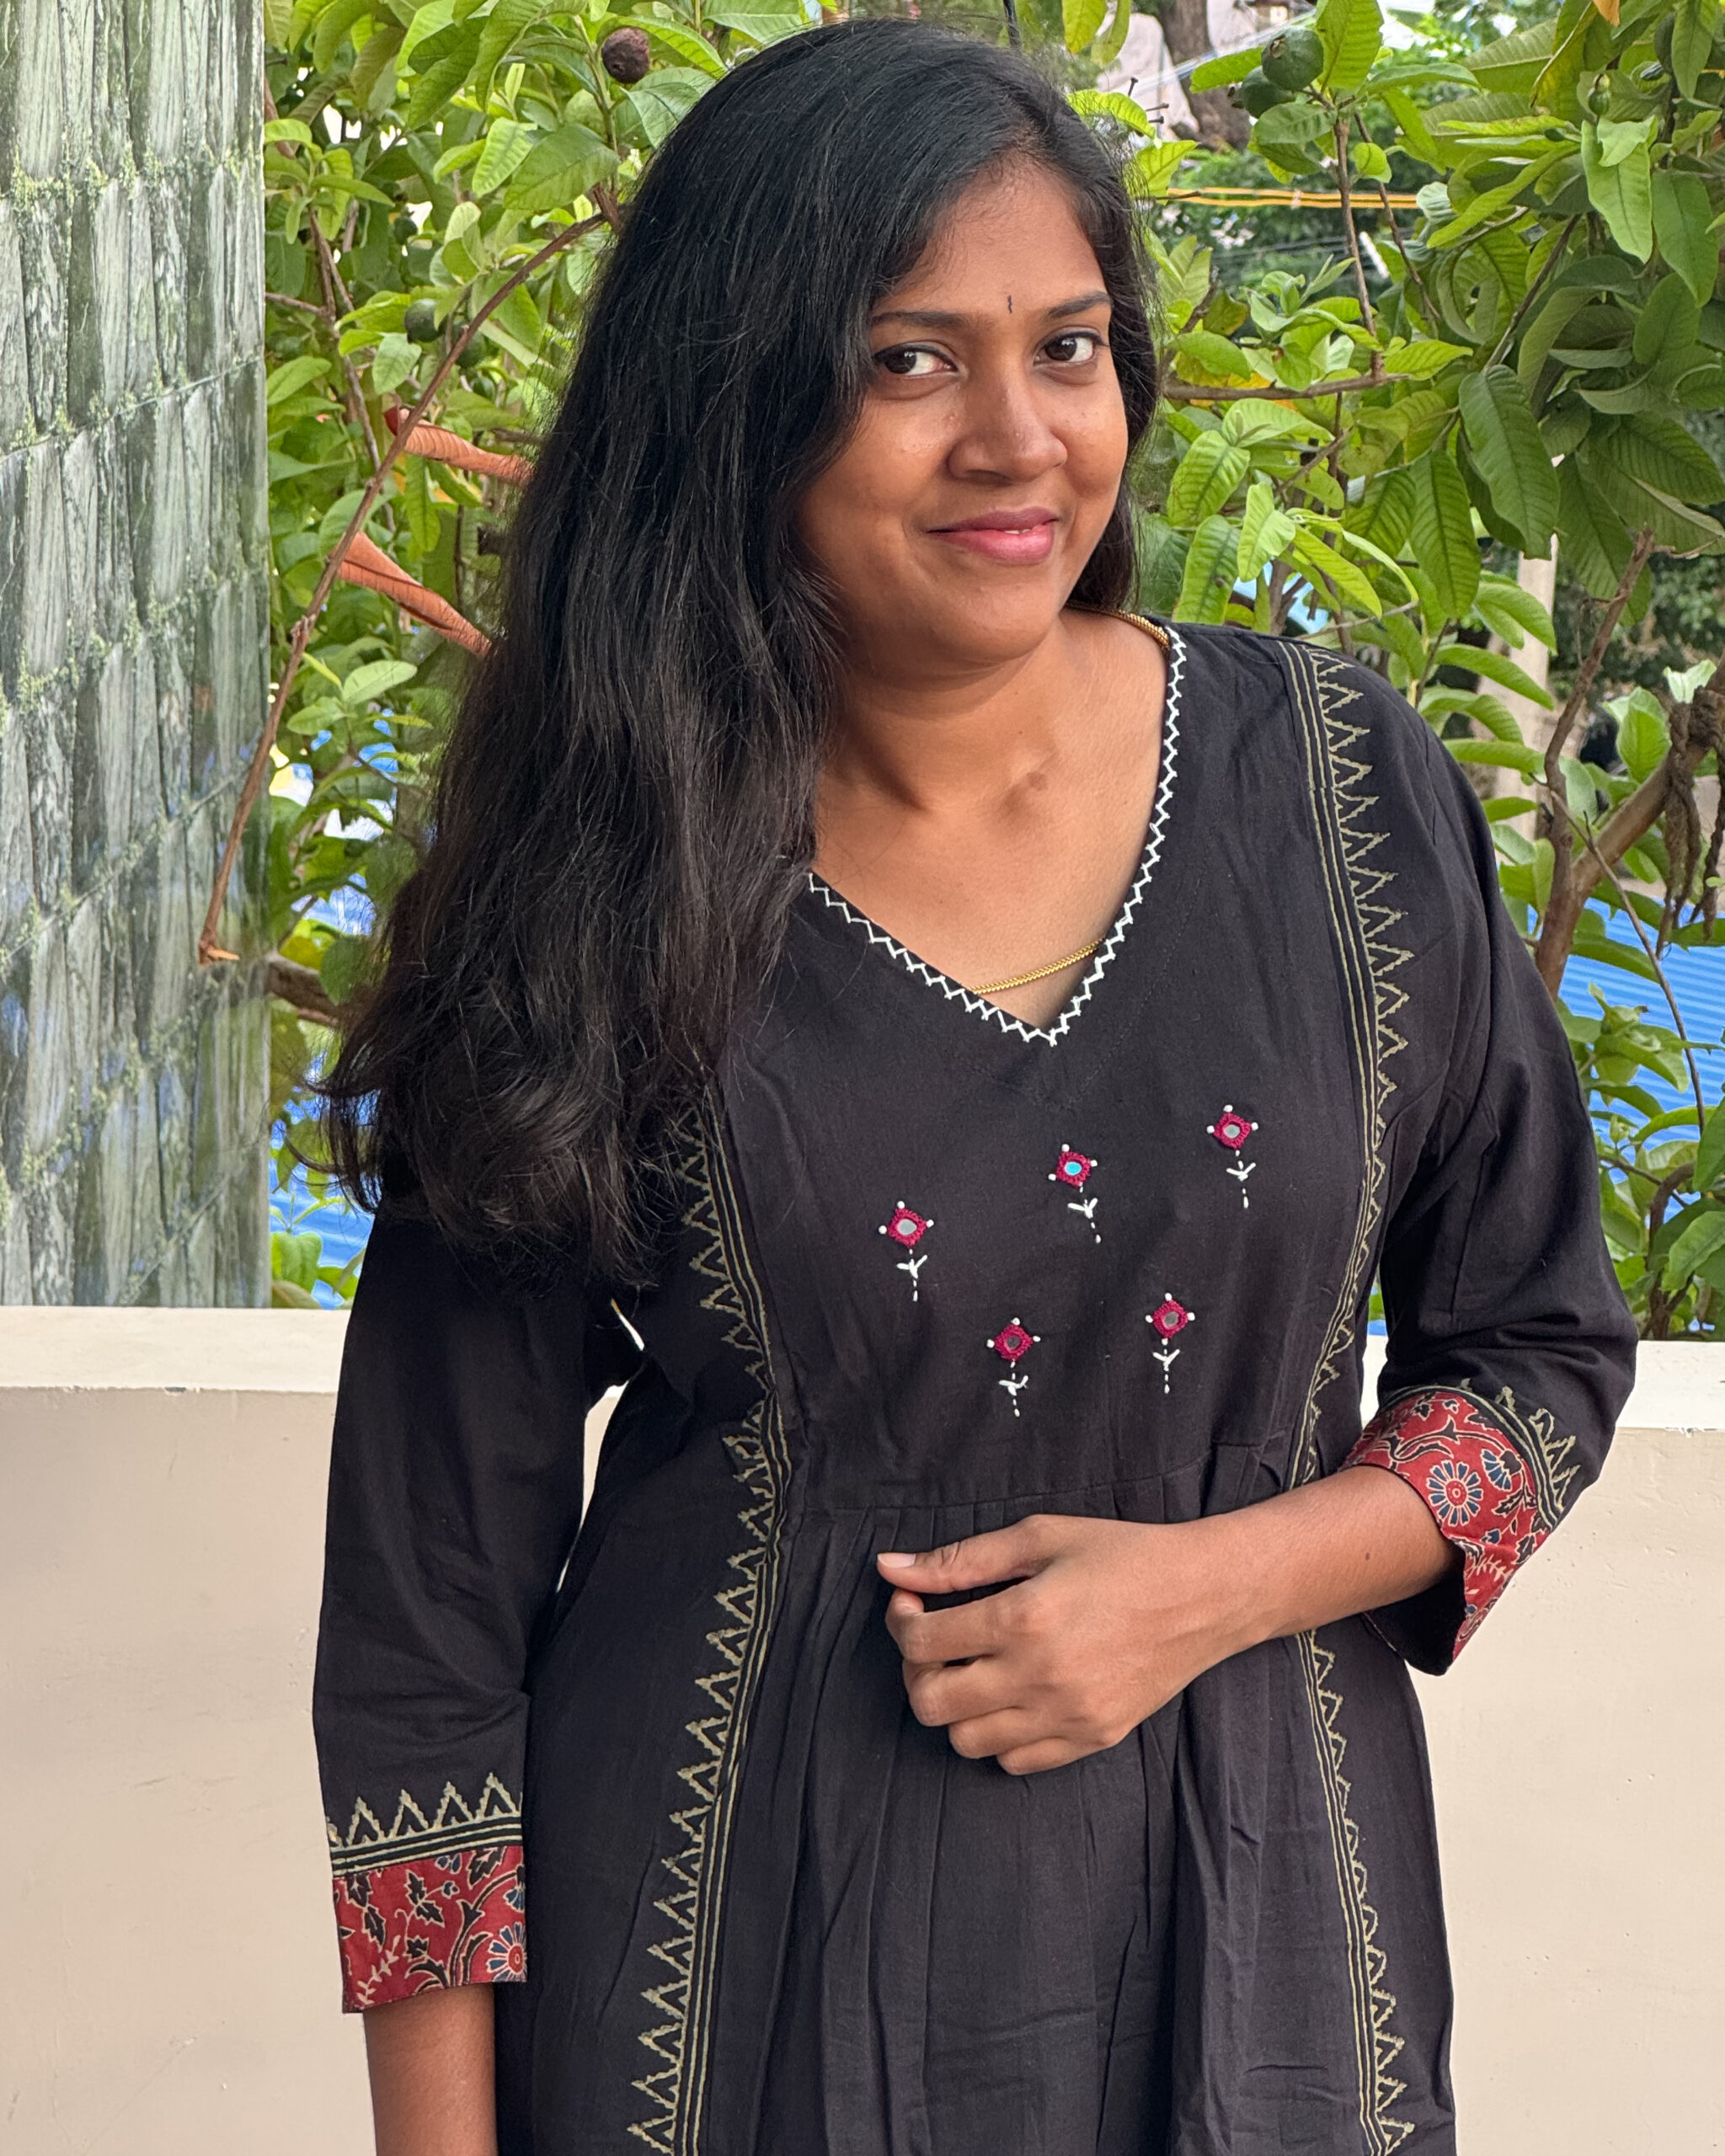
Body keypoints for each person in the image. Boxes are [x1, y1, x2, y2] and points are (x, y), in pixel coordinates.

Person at [312, 21, 1636, 2154]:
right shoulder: (604, 876)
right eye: (906, 361)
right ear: (734, 405)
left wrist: (1206, 1584)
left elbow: (1540, 1356)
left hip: (1265, 1961)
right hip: (725, 1988)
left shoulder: (1336, 793)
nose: (1018, 440)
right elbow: (425, 1609)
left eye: (1068, 347)